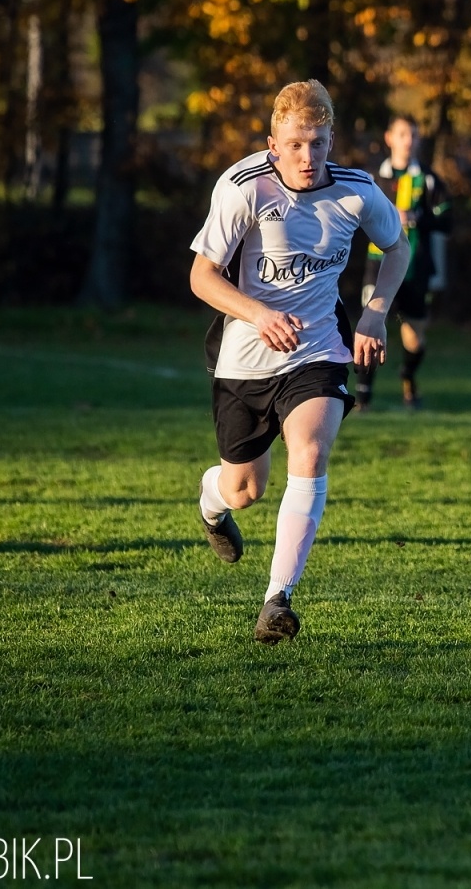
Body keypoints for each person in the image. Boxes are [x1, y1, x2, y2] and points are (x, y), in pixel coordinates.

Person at [189, 79, 409, 643]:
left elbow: (398, 247)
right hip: (245, 354)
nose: (307, 157)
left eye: (317, 143)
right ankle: (212, 504)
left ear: (331, 139)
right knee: (246, 489)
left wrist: (375, 313)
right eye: (294, 144)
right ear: (272, 144)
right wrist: (258, 314)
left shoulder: (358, 191)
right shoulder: (244, 188)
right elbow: (201, 277)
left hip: (318, 348)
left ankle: (277, 598)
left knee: (310, 450)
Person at [356, 116, 450, 410]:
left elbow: (447, 219)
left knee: (415, 337)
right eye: (402, 134)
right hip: (377, 264)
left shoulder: (429, 178)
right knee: (369, 327)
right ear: (389, 138)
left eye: (413, 134)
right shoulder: (374, 178)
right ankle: (363, 397)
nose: (408, 140)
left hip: (415, 268)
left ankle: (407, 377)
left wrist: (418, 218)